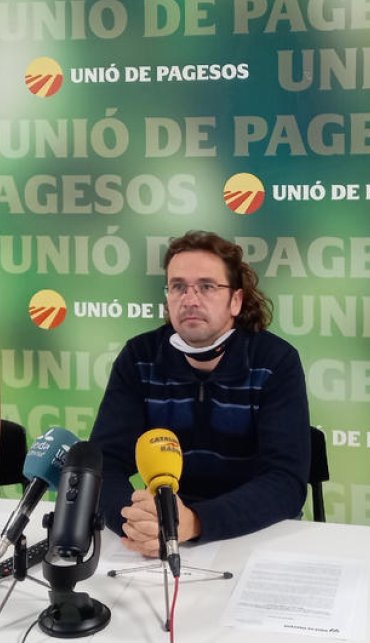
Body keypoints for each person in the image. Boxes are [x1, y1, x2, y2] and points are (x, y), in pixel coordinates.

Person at [90, 230, 310, 556]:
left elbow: (285, 482)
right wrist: (136, 522)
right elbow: (102, 464)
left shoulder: (275, 361)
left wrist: (194, 522)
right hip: (158, 537)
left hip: (253, 535)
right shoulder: (140, 356)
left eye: (207, 287)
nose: (190, 299)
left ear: (235, 300)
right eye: (178, 287)